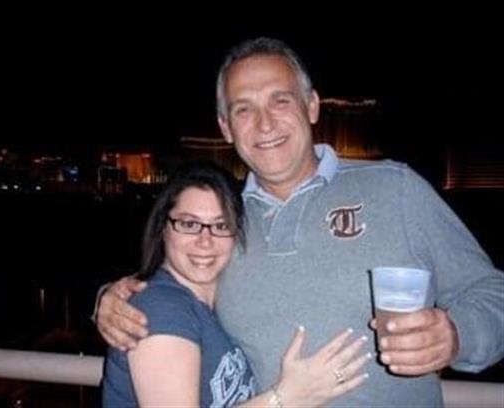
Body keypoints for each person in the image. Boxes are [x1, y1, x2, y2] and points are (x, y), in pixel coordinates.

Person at [96, 38, 504, 407]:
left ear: (311, 105)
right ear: (226, 128)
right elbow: (179, 283)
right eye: (244, 109)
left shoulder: (396, 189)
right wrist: (112, 299)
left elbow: (491, 290)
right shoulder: (226, 222)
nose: (265, 123)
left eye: (280, 100)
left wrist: (456, 335)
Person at [101, 162, 369, 407]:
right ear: (163, 228)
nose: (205, 241)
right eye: (189, 223)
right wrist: (287, 397)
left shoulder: (219, 305)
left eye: (221, 225)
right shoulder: (161, 309)